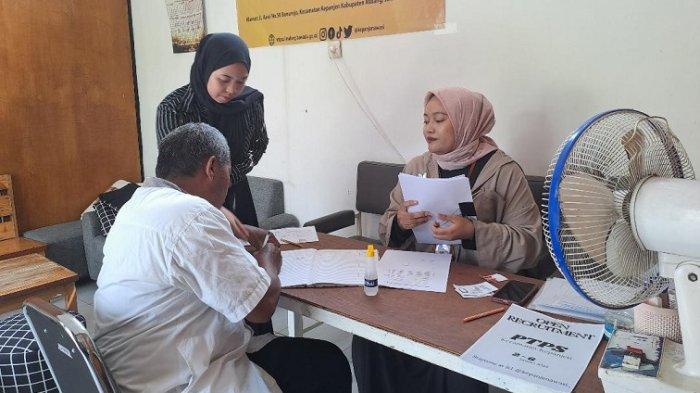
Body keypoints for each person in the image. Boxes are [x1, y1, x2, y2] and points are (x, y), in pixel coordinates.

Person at [94, 123, 351, 393]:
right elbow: (260, 310)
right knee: (327, 363)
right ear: (212, 167)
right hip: (176, 381)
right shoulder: (192, 214)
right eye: (229, 176)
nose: (228, 186)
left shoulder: (137, 205)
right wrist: (269, 260)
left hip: (127, 373)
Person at [352, 87, 543, 393]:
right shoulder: (417, 167)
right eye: (426, 119)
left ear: (468, 123)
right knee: (370, 338)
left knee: (457, 356)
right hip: (421, 284)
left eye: (440, 119)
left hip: (475, 291)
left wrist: (473, 231)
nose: (429, 128)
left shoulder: (504, 172)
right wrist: (400, 222)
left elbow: (530, 244)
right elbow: (388, 224)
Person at [157, 32, 267, 227]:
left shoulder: (250, 103)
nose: (232, 90)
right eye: (224, 79)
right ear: (206, 69)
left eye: (241, 81)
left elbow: (258, 145)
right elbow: (174, 172)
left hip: (236, 193)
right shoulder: (175, 108)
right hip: (190, 204)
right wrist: (214, 207)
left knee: (247, 251)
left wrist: (229, 179)